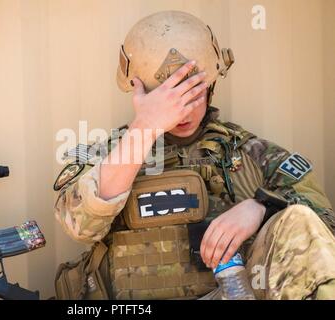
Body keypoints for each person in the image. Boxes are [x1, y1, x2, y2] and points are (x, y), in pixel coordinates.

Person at [53, 10, 335, 300]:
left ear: (212, 85)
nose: (184, 111)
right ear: (141, 93)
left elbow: (323, 227)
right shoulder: (109, 154)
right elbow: (80, 225)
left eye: (194, 93)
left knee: (298, 219)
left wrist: (262, 208)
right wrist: (145, 127)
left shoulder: (253, 154)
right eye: (169, 97)